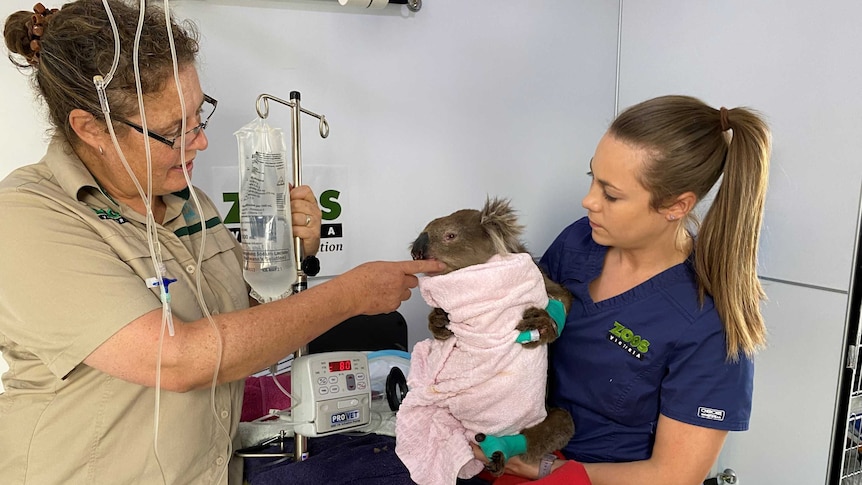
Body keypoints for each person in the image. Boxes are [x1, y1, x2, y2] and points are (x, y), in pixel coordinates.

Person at [0, 2, 444, 484]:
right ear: (91, 129)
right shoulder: (26, 218)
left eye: (198, 116)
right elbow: (179, 359)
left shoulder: (191, 202)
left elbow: (246, 320)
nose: (199, 143)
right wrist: (347, 297)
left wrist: (296, 255)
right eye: (173, 131)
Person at [474, 95, 771, 484]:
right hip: (519, 438)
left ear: (676, 206)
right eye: (592, 178)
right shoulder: (579, 242)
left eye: (611, 194)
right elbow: (517, 322)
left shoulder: (708, 322)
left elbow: (675, 475)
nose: (588, 201)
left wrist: (549, 469)